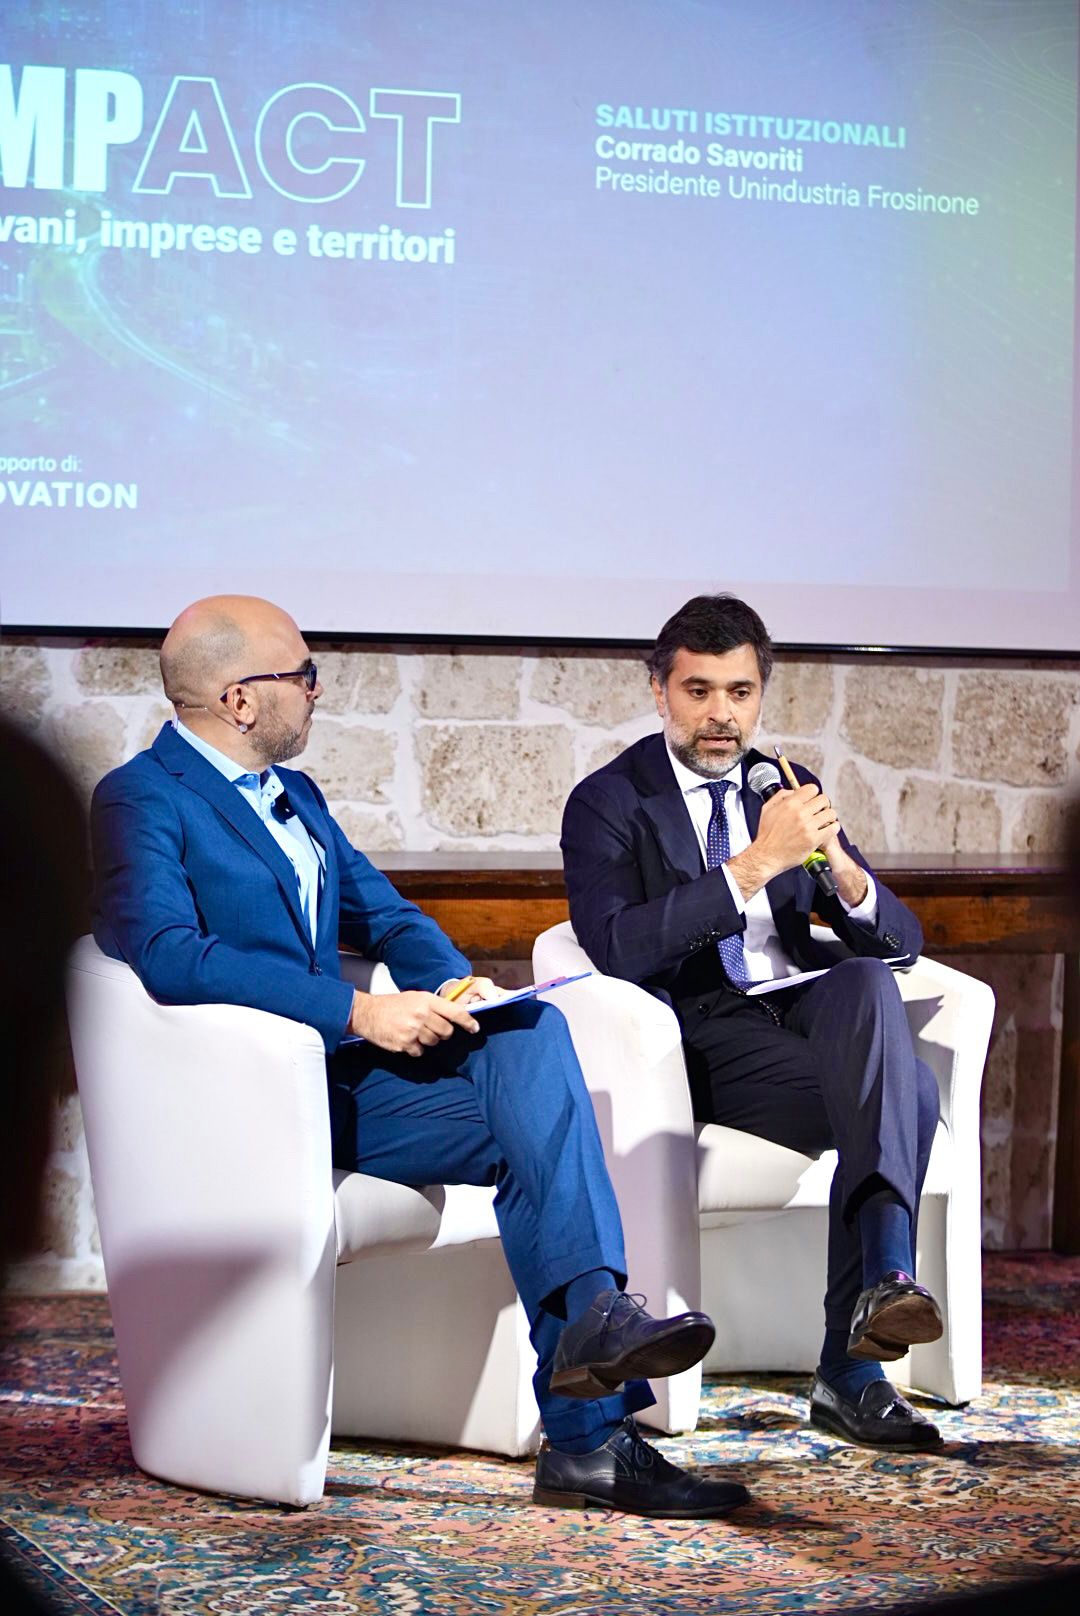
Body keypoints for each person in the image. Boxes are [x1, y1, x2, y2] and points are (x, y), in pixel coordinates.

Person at [89, 594, 747, 1520]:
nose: (317, 691)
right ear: (239, 699)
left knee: (530, 1042)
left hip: (338, 1086)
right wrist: (359, 1008)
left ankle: (591, 1399)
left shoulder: (298, 796)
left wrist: (454, 988)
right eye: (303, 674)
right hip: (253, 1099)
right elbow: (167, 953)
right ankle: (592, 1417)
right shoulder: (139, 797)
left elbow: (390, 918)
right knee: (537, 1121)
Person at [561, 593, 945, 1450]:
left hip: (803, 1013)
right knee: (911, 1095)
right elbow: (618, 947)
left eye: (739, 692)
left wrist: (839, 867)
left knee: (863, 981)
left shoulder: (787, 786)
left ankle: (883, 1291)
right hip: (702, 1034)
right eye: (698, 691)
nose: (720, 715)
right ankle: (858, 1356)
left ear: (760, 693)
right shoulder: (609, 801)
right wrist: (752, 867)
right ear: (659, 690)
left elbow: (901, 942)